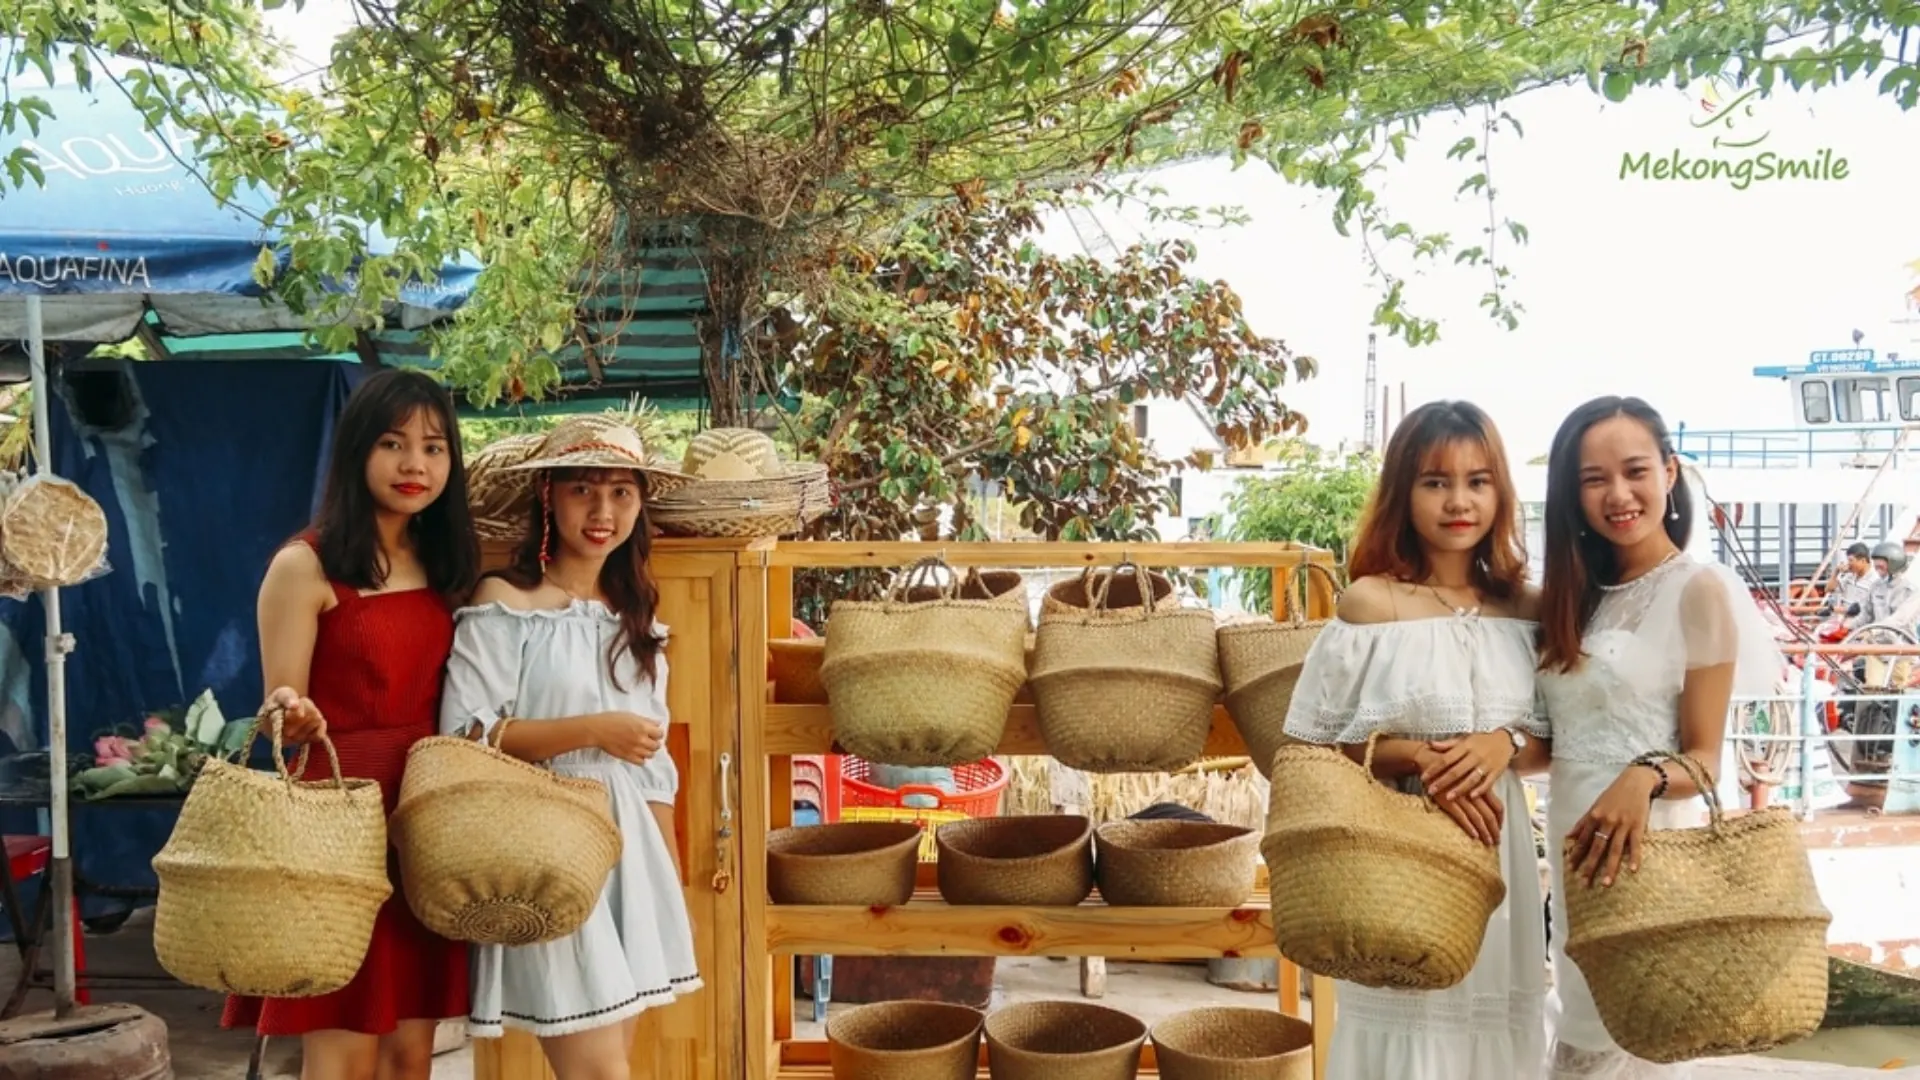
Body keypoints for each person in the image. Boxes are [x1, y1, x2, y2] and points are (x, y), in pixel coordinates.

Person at [1280, 400, 1551, 1079]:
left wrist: (1503, 745)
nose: (1458, 501)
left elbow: (1560, 740)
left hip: (1498, 850)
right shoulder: (1371, 603)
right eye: (1435, 482)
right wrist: (1419, 757)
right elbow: (1312, 747)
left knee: (1492, 1024)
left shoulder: (1529, 607)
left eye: (1478, 480)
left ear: (1501, 492)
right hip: (1392, 857)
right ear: (1404, 491)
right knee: (1403, 1030)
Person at [223, 369, 480, 1080]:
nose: (414, 465)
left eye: (433, 448)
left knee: (412, 1053)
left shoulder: (449, 562)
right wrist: (294, 715)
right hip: (340, 828)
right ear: (356, 452)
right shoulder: (302, 565)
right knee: (342, 1049)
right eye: (393, 444)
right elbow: (279, 707)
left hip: (427, 824)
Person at [438, 416, 701, 1079]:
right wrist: (592, 730)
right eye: (583, 489)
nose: (603, 511)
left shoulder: (637, 621)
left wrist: (665, 881)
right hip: (544, 849)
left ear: (641, 505)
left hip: (630, 858)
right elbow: (465, 735)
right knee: (598, 1072)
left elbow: (655, 772)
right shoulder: (503, 603)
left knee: (613, 1061)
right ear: (548, 497)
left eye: (621, 492)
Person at [1535, 396, 1785, 1079]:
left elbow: (1705, 759)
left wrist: (1641, 777)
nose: (1618, 494)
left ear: (1669, 473)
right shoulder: (1572, 593)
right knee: (1580, 1026)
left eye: (1636, 470)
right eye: (1594, 479)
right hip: (1574, 850)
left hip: (1650, 849)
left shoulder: (1697, 590)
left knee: (1635, 1044)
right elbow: (1554, 736)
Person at [1820, 542, 1872, 618]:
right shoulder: (1850, 575)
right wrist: (1836, 571)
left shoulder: (1874, 580)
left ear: (1863, 561)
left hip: (1860, 625)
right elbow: (1828, 589)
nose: (1848, 564)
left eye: (1851, 560)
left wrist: (1834, 609)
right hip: (1845, 621)